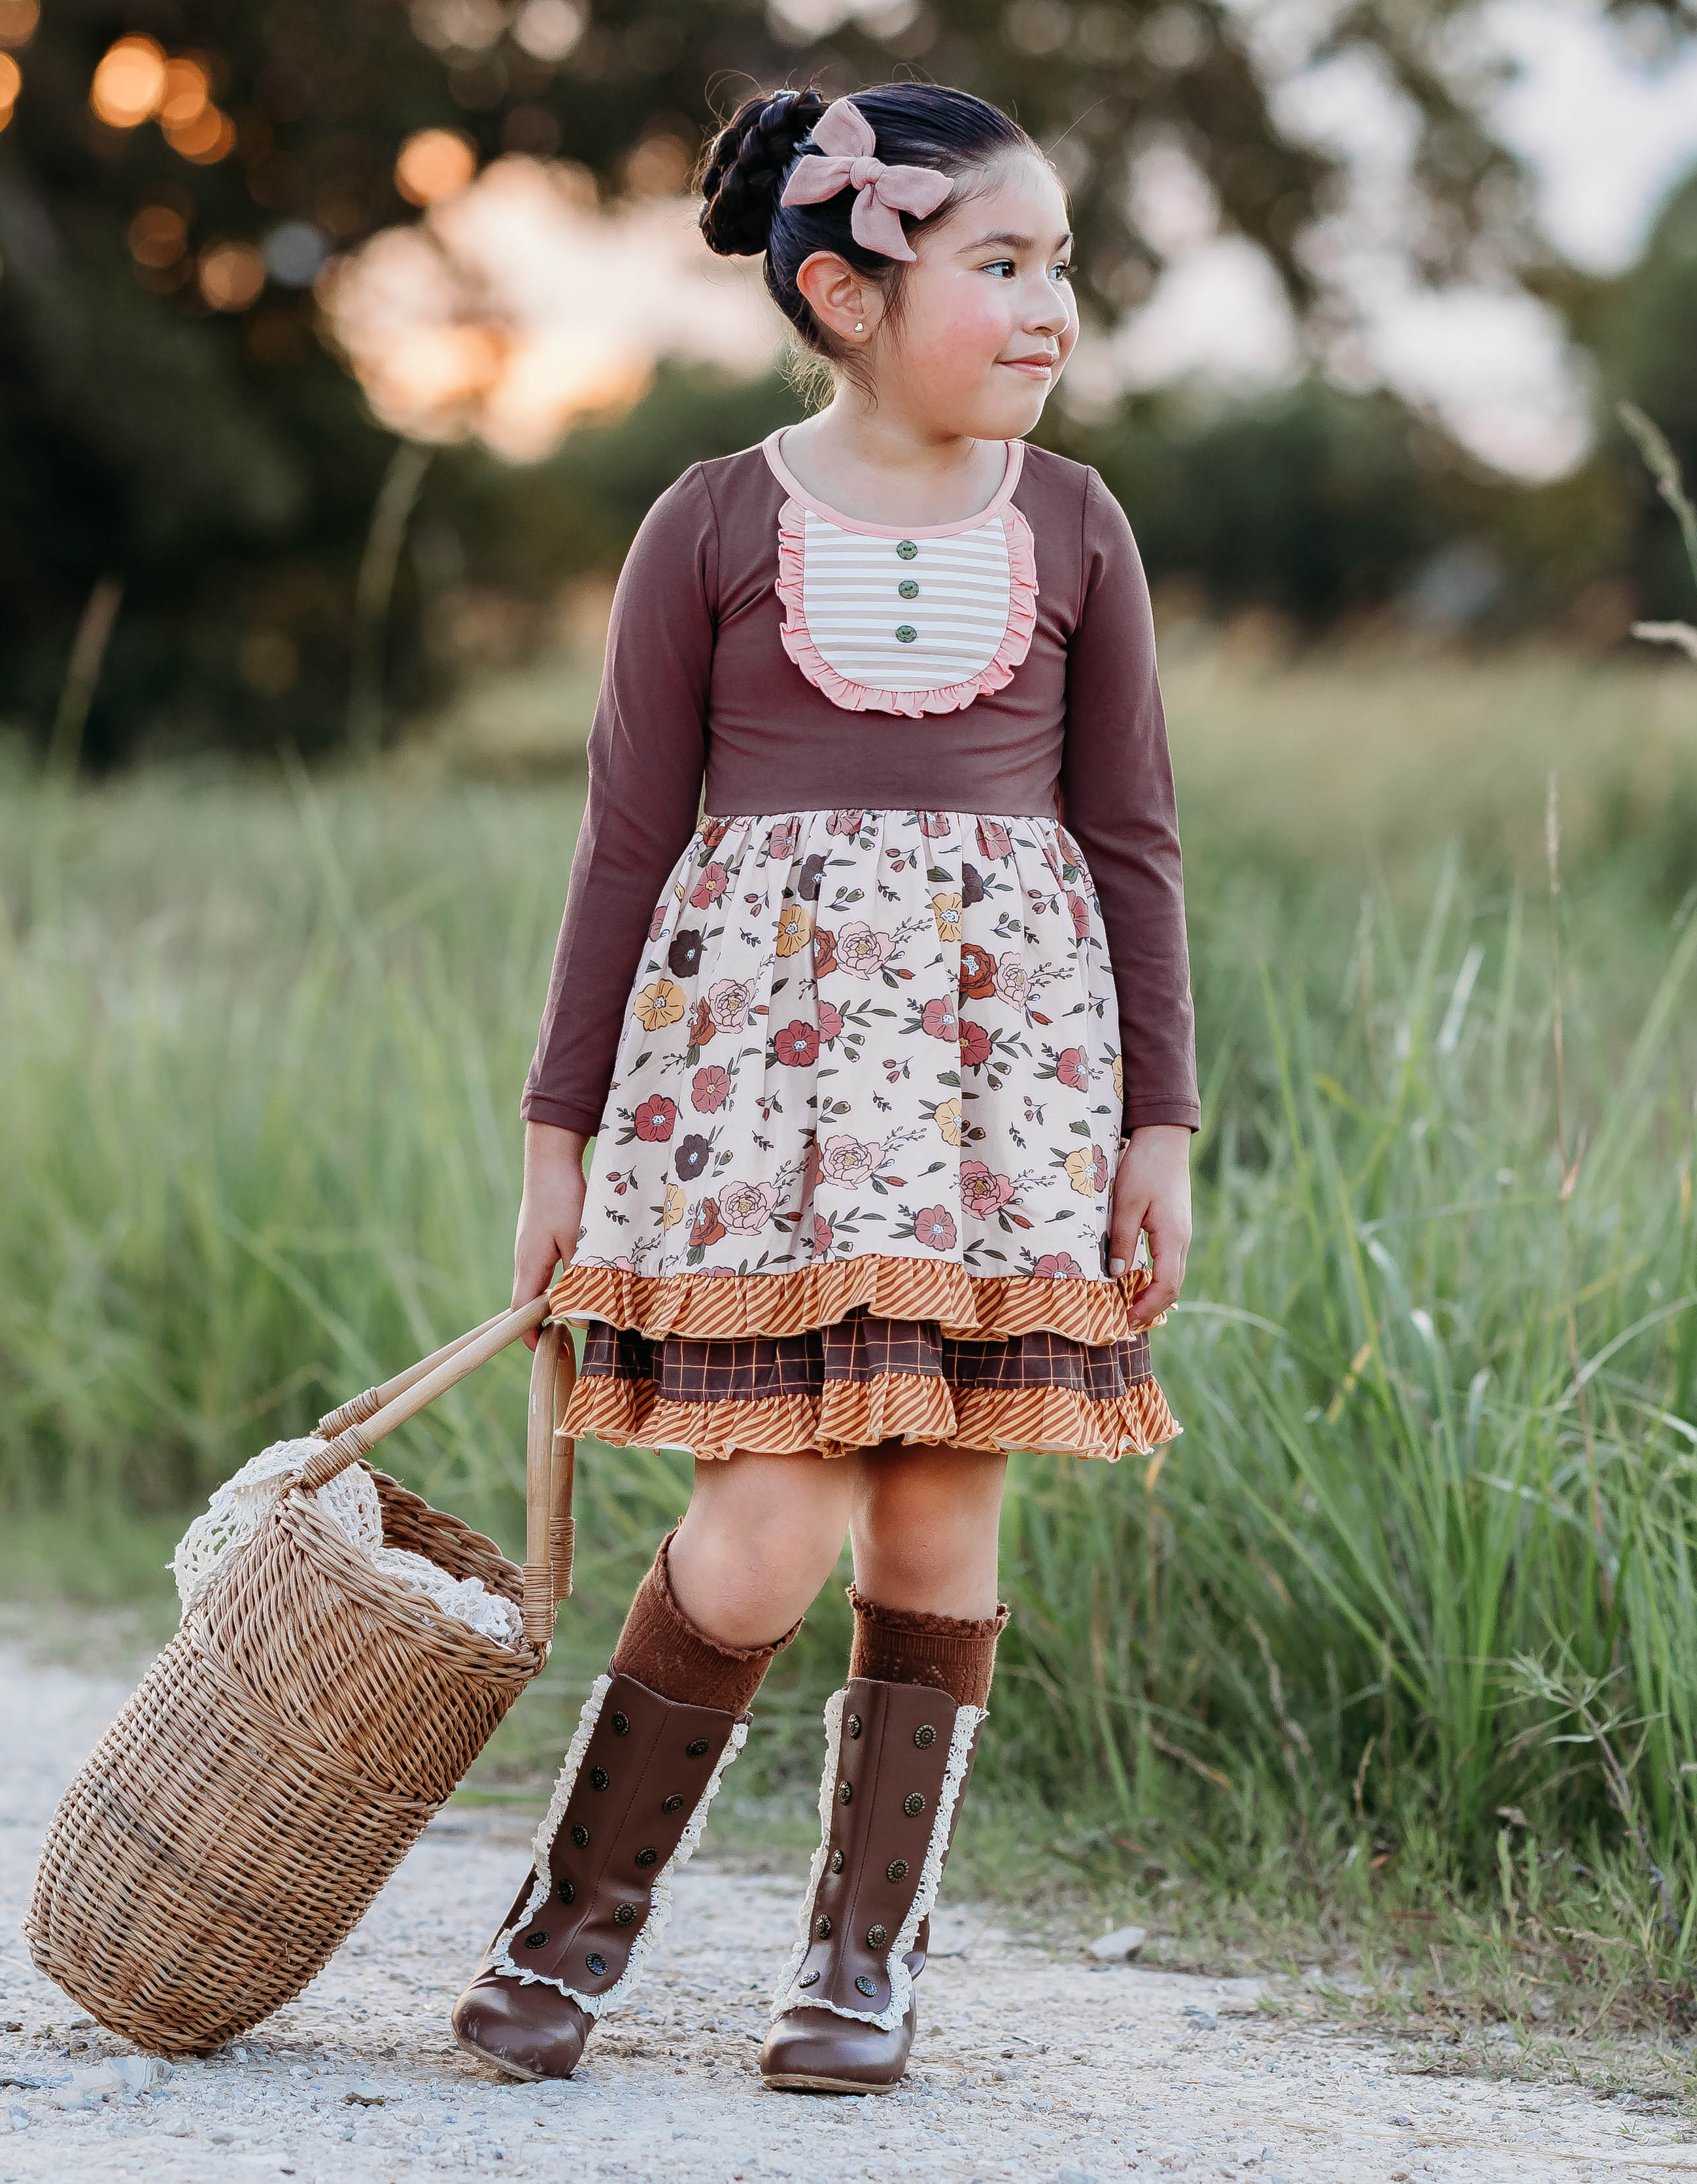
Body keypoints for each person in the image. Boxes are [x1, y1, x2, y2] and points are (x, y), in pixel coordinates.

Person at [452, 78, 1199, 2096]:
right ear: (852, 292)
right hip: (754, 1117)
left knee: (943, 1508)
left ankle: (865, 1958)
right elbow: (623, 843)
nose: (1055, 308)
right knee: (765, 1520)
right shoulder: (710, 523)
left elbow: (1131, 839)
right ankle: (574, 1919)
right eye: (1005, 266)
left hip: (1001, 1110)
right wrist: (558, 1139)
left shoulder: (1074, 527)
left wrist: (1157, 1127)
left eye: (1063, 268)